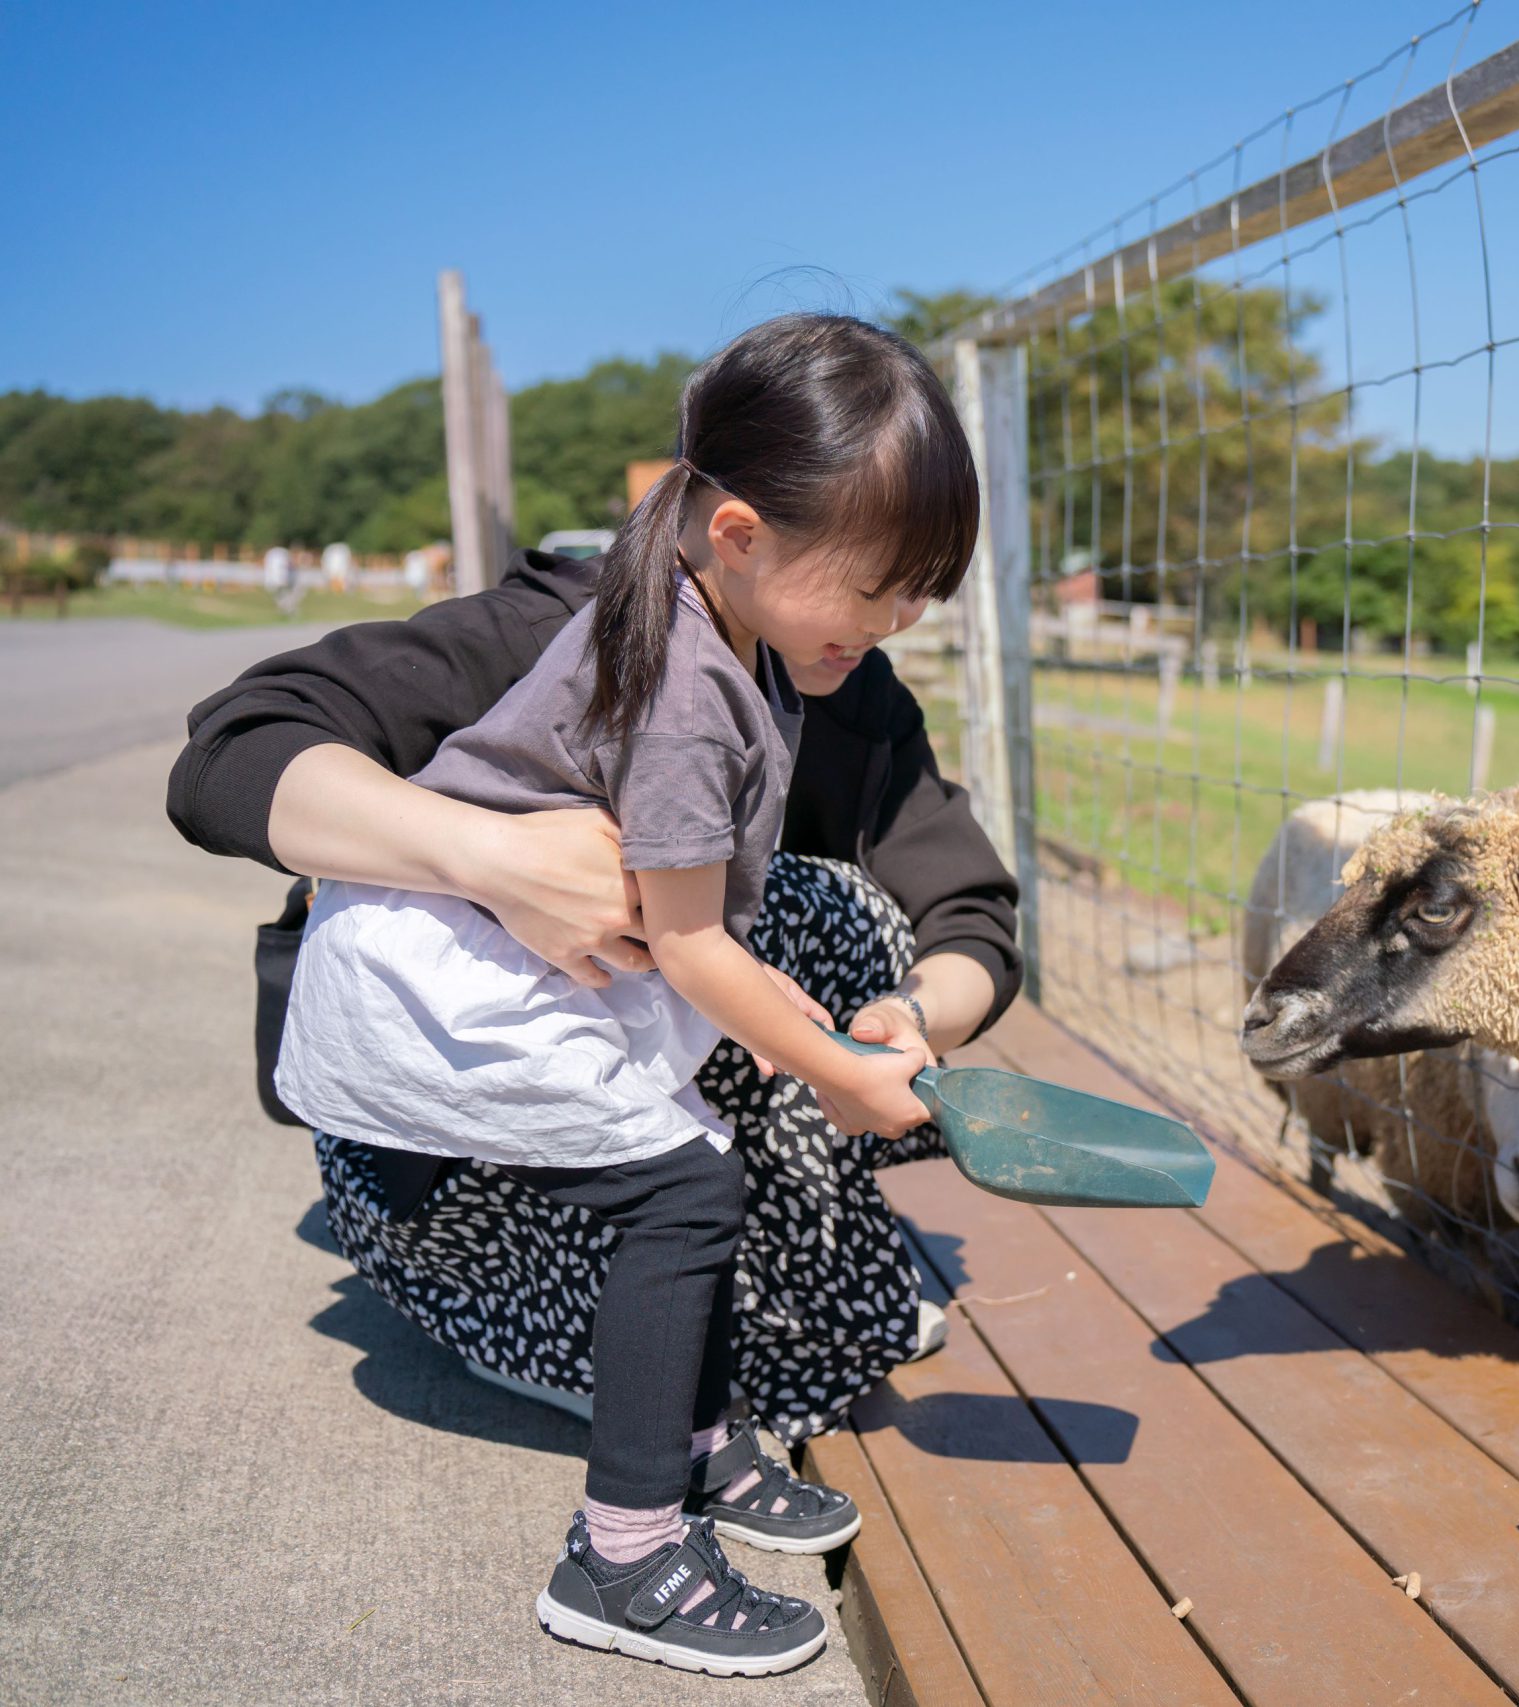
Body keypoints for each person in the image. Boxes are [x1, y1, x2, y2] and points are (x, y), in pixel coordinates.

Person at [172, 314, 1014, 1676]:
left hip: (562, 1003)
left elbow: (963, 902)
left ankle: (693, 1436)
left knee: (720, 1127)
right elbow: (688, 950)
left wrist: (919, 1018)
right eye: (882, 590)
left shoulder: (782, 650)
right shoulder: (670, 681)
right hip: (449, 1026)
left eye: (922, 593)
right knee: (687, 1187)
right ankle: (623, 1558)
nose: (899, 625)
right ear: (740, 534)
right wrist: (493, 857)